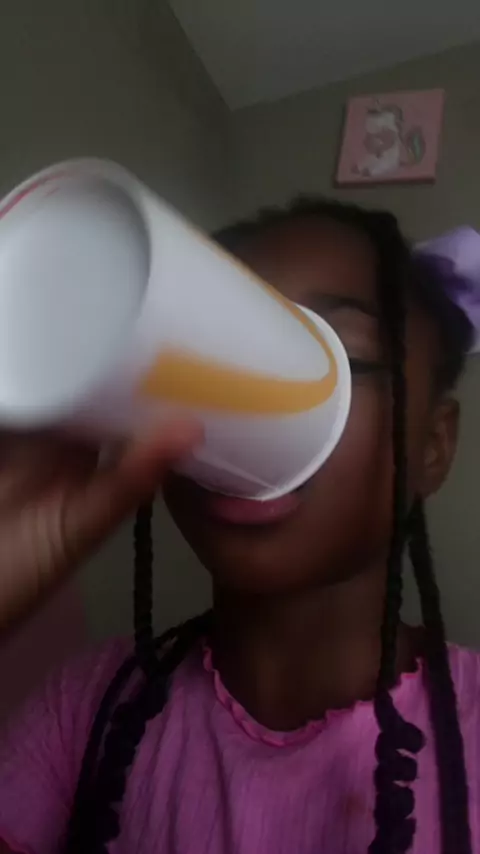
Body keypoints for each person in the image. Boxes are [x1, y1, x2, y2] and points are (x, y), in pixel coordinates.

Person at [0, 198, 477, 854]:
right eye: (206, 355)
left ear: (434, 444)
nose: (244, 406)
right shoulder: (82, 710)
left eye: (347, 357)